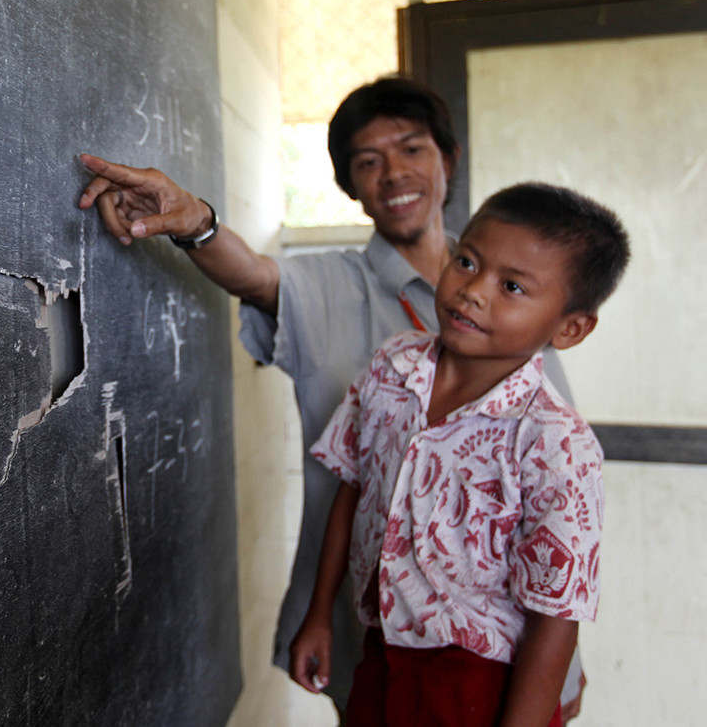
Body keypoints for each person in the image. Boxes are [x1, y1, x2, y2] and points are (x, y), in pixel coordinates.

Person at [77, 76, 584, 717]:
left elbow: (554, 521)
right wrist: (196, 223)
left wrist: (563, 674)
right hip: (372, 639)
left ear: (447, 159)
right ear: (350, 185)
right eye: (368, 162)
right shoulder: (338, 294)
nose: (394, 173)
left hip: (509, 658)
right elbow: (259, 277)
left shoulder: (524, 291)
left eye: (411, 149)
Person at [290, 182, 629, 727]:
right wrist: (319, 616)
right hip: (381, 653)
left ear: (570, 328)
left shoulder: (555, 445)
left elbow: (556, 618)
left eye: (513, 286)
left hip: (479, 685)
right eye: (466, 261)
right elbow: (351, 490)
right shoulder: (392, 367)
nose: (473, 290)